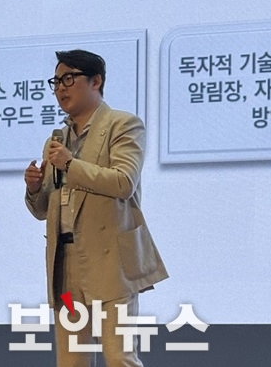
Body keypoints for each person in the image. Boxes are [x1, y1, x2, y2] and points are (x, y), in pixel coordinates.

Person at [23, 49, 168, 367]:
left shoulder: (123, 124)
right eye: (56, 81)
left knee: (119, 357)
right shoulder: (57, 139)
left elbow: (123, 182)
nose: (60, 88)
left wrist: (70, 164)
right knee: (71, 360)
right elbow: (44, 209)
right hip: (65, 266)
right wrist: (34, 189)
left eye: (68, 79)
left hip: (110, 263)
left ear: (96, 81)